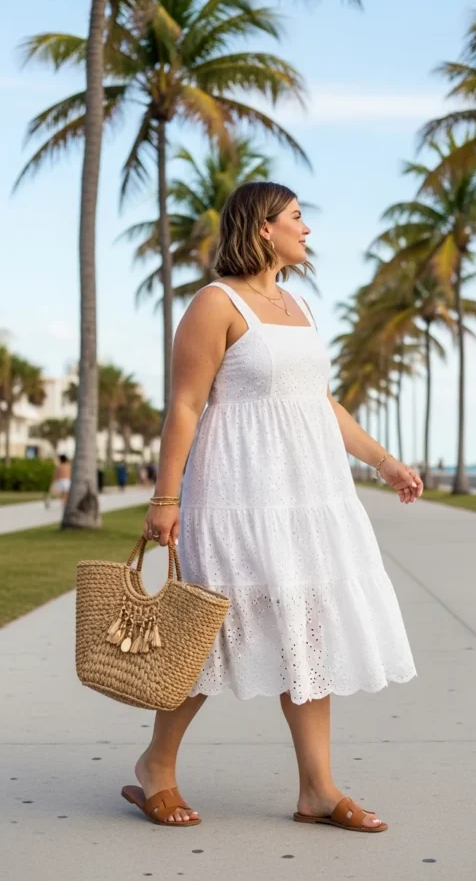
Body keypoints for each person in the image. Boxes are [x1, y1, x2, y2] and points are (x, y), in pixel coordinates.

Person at [127, 182, 422, 830]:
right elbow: (185, 406)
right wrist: (165, 497)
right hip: (237, 493)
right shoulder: (215, 303)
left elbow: (321, 403)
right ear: (263, 227)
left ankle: (317, 789)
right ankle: (157, 766)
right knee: (209, 629)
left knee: (307, 628)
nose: (306, 229)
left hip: (305, 495)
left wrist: (384, 462)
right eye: (296, 217)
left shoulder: (298, 305)